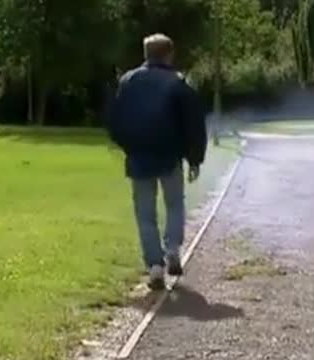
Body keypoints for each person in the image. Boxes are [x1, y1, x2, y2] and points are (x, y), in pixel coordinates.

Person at [107, 33, 207, 290]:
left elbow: (114, 118)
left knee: (145, 214)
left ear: (146, 54)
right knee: (174, 204)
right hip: (169, 156)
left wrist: (127, 145)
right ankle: (172, 248)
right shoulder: (178, 82)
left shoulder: (128, 81)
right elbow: (193, 124)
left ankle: (154, 265)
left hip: (139, 157)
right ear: (169, 54)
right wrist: (194, 158)